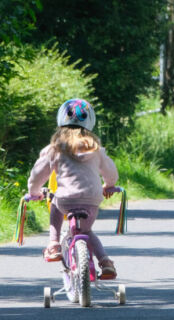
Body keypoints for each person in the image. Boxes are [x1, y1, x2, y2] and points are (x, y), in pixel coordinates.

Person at [27, 98, 119, 279]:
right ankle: (105, 262)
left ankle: (53, 245)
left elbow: (38, 174)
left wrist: (34, 191)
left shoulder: (54, 149)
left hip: (66, 199)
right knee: (86, 231)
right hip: (92, 199)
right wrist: (109, 185)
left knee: (55, 201)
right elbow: (111, 172)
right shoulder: (96, 149)